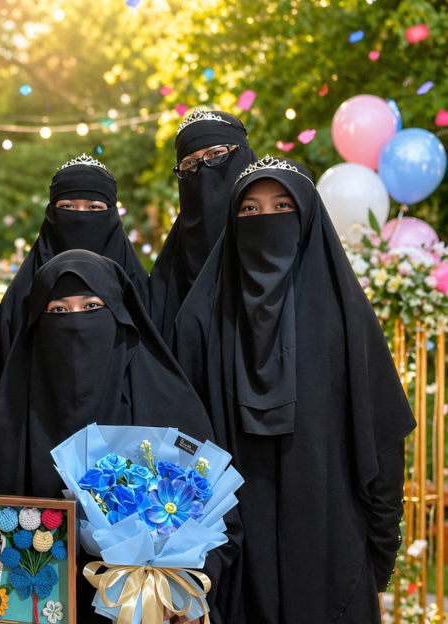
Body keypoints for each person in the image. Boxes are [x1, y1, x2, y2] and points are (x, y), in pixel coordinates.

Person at [172, 156, 415, 623]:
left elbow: (383, 443)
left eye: (283, 206)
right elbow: (179, 446)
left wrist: (378, 551)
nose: (266, 219)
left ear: (307, 218)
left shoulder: (345, 321)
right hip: (230, 561)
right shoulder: (201, 321)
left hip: (333, 554)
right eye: (250, 210)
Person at [0, 249, 221, 622]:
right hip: (31, 610)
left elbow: (216, 521)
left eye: (91, 307)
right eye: (58, 310)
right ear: (36, 325)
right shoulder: (11, 419)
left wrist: (183, 593)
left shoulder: (168, 403)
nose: (75, 324)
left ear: (120, 318)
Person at [0, 154, 149, 388]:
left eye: (94, 207)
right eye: (67, 207)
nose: (80, 216)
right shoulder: (21, 298)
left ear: (112, 214)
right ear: (51, 213)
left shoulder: (140, 292)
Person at [149, 108, 257, 344]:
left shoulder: (277, 238)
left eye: (217, 154)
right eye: (189, 164)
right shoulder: (167, 277)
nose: (204, 170)